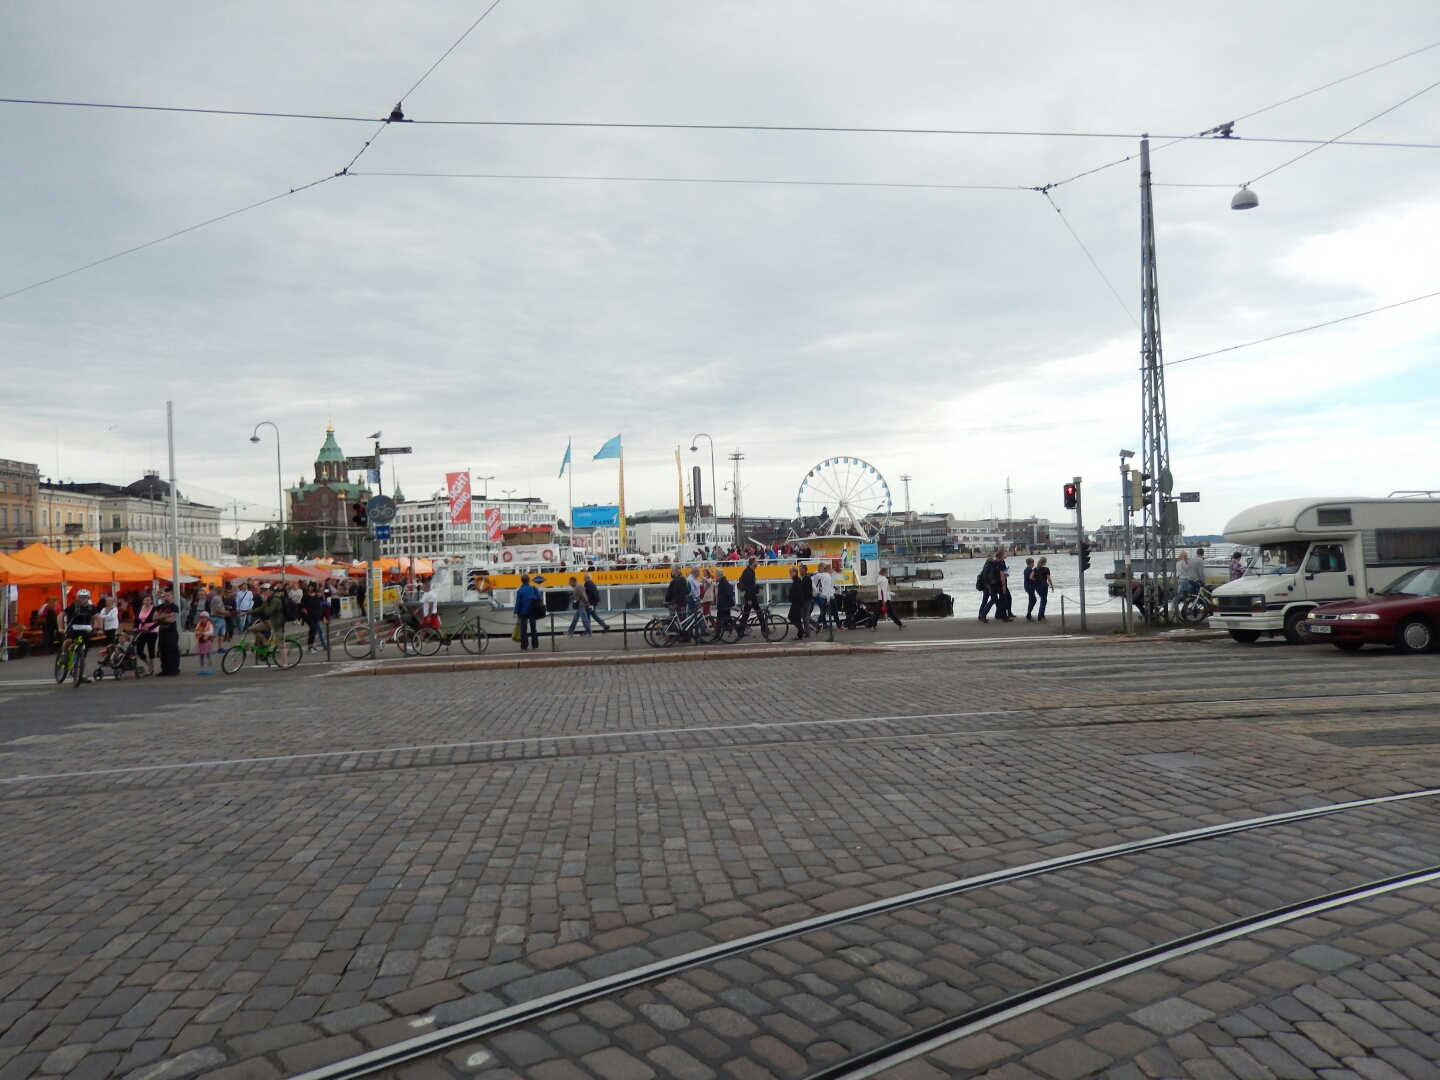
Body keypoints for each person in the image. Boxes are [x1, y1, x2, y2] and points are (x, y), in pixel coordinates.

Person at [61, 588, 98, 684]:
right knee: (69, 640)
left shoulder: (91, 607)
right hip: (73, 627)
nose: (83, 599)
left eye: (85, 597)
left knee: (83, 653)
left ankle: (81, 673)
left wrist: (100, 627)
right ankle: (64, 654)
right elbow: (61, 615)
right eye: (81, 597)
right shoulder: (74, 606)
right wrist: (60, 627)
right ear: (78, 598)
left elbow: (98, 617)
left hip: (85, 629)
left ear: (88, 598)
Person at [153, 587, 182, 676]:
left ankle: (174, 669)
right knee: (163, 651)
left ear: (172, 596)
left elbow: (171, 620)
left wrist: (161, 617)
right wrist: (166, 616)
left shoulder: (174, 607)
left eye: (168, 595)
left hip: (171, 632)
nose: (166, 597)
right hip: (162, 632)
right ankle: (165, 669)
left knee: (173, 650)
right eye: (165, 595)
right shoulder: (159, 607)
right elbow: (154, 618)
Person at [514, 573, 542, 650]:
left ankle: (524, 645)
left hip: (523, 612)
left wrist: (516, 612)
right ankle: (535, 645)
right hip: (533, 611)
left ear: (521, 581)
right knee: (533, 628)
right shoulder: (534, 588)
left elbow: (518, 602)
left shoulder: (520, 590)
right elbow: (540, 598)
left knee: (524, 629)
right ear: (529, 580)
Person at [134, 593, 159, 676]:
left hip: (152, 630)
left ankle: (151, 668)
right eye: (146, 600)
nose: (147, 602)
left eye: (149, 600)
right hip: (141, 630)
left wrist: (149, 628)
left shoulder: (154, 609)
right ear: (143, 601)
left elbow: (158, 621)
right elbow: (137, 619)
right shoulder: (139, 608)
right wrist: (136, 627)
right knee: (139, 649)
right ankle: (148, 664)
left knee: (151, 648)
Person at [737, 556, 762, 637]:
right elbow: (748, 587)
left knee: (747, 614)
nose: (757, 563)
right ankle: (765, 630)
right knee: (758, 613)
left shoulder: (750, 571)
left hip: (750, 595)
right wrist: (749, 599)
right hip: (750, 596)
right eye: (756, 561)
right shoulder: (748, 573)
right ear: (752, 563)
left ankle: (740, 630)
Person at [302, 584, 328, 652]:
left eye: (312, 586)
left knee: (315, 630)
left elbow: (319, 607)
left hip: (315, 615)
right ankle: (310, 645)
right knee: (313, 628)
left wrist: (324, 617)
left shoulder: (316, 596)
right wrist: (304, 610)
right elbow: (302, 605)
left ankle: (312, 645)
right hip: (308, 616)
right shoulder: (305, 596)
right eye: (310, 586)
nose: (310, 588)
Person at [787, 566, 811, 639]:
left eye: (791, 572)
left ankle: (800, 632)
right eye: (790, 572)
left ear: (795, 572)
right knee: (794, 617)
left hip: (797, 603)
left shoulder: (797, 580)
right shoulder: (796, 580)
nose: (790, 573)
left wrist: (792, 597)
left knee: (794, 617)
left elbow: (798, 592)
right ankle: (800, 631)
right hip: (795, 602)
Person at [811, 564, 834, 629]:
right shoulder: (820, 575)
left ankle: (823, 623)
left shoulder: (815, 573)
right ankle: (817, 624)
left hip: (814, 594)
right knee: (823, 609)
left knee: (818, 609)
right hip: (816, 594)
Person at [715, 569, 736, 636]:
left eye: (716, 575)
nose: (715, 577)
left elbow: (728, 594)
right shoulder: (722, 582)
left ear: (719, 575)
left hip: (724, 605)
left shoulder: (724, 583)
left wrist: (732, 604)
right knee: (725, 619)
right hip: (723, 604)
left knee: (722, 620)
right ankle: (718, 634)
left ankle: (717, 635)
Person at [1032, 557, 1052, 622]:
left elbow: (1031, 577)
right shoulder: (1046, 569)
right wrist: (1052, 586)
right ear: (1045, 562)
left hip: (1037, 586)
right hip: (1044, 586)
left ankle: (1042, 616)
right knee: (1043, 601)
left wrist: (1036, 580)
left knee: (1043, 600)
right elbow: (1049, 578)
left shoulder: (1035, 569)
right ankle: (1040, 617)